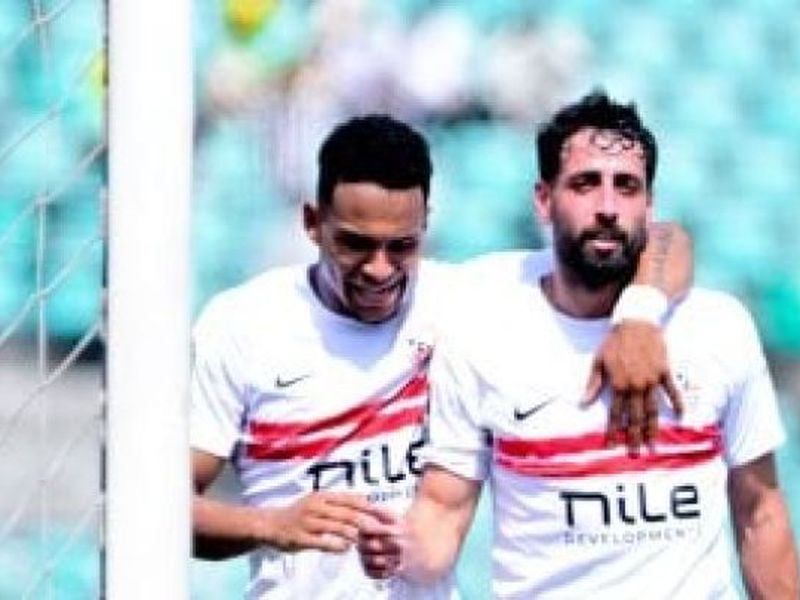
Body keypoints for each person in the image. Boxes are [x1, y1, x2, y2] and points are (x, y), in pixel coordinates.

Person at [190, 113, 691, 598]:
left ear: (426, 224)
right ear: (312, 223)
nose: (380, 269)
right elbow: (166, 510)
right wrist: (272, 525)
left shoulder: (463, 297)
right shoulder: (243, 326)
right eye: (356, 244)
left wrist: (639, 314)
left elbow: (665, 236)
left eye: (401, 246)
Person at [358, 92, 800, 598]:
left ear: (649, 204)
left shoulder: (718, 327)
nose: (607, 207)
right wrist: (400, 549)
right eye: (585, 184)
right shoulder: (481, 318)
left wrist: (639, 315)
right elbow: (443, 510)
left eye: (626, 186)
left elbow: (761, 514)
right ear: (543, 200)